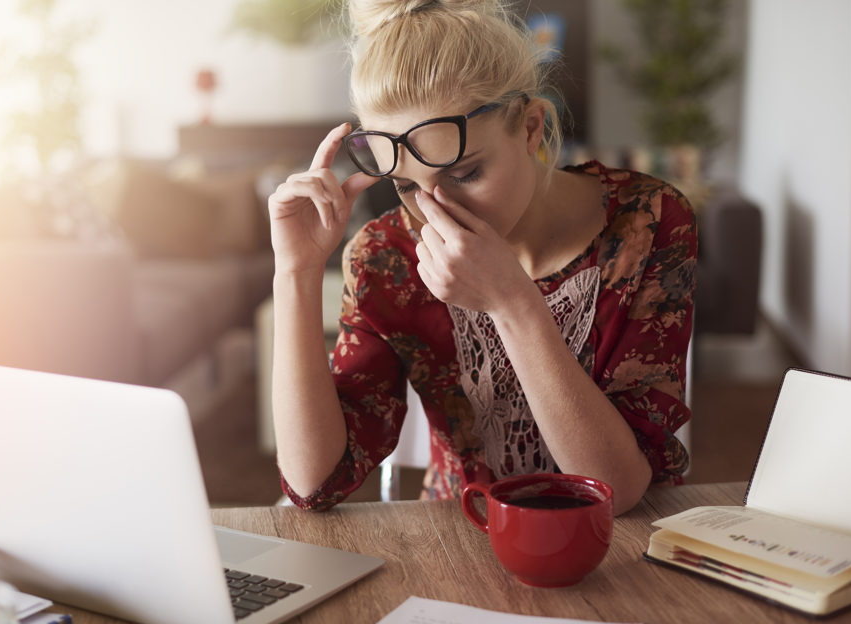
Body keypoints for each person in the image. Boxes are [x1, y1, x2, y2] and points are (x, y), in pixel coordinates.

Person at [267, 0, 696, 516]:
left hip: (620, 555)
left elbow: (617, 491)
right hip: (461, 541)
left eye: (465, 173)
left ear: (532, 128)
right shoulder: (388, 258)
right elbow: (315, 483)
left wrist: (512, 301)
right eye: (406, 186)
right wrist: (297, 271)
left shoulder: (647, 223)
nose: (436, 212)